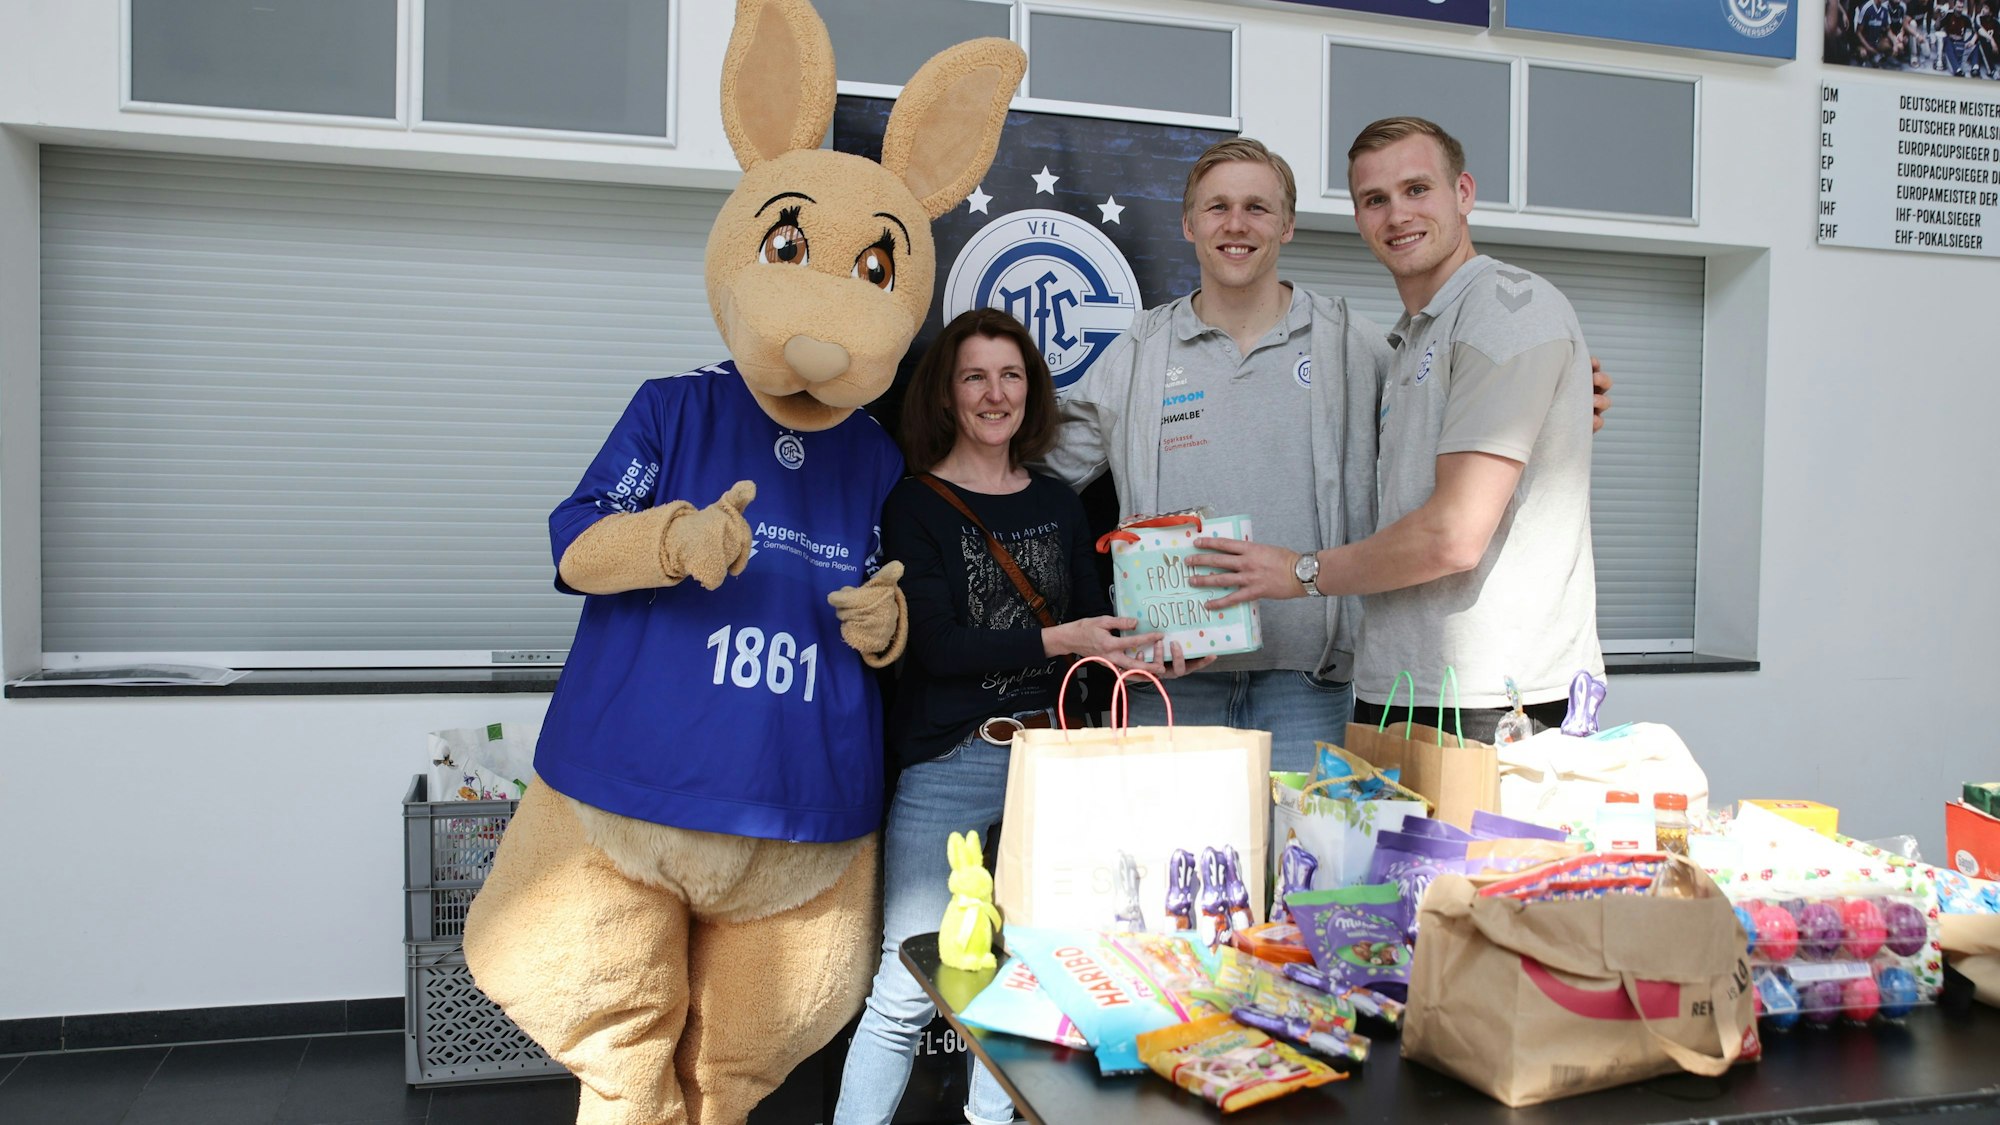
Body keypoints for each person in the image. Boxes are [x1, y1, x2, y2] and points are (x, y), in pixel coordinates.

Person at [1040, 138, 1608, 771]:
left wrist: (1561, 388)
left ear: (1287, 225)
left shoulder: (1358, 347)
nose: (1236, 224)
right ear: (1189, 223)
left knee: (1314, 863)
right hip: (1171, 685)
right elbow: (1032, 474)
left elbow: (1458, 417)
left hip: (1315, 687)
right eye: (1217, 207)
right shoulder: (1136, 356)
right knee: (1171, 865)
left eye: (1257, 207)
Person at [831, 308, 1209, 1125]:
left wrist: (1156, 653)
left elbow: (1092, 630)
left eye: (1011, 376)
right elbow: (934, 646)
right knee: (905, 986)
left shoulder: (1055, 499)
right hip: (951, 760)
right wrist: (1060, 635)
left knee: (1029, 982)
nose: (995, 394)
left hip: (1054, 766)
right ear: (948, 392)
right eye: (975, 376)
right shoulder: (914, 504)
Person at [1191, 117, 1603, 745]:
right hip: (1405, 690)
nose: (1397, 215)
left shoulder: (1505, 308)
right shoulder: (1410, 339)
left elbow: (1453, 536)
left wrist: (1300, 572)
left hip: (1497, 699)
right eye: (1374, 200)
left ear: (1463, 193)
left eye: (1417, 190)